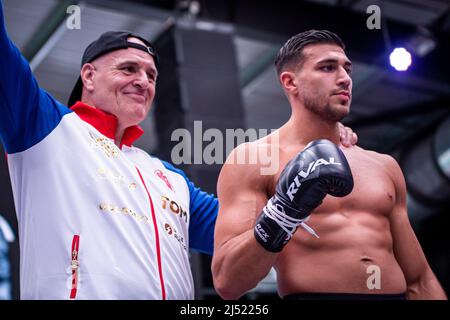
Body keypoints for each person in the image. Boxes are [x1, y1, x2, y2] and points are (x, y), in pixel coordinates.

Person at [0, 1, 357, 299]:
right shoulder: (46, 127)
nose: (143, 81)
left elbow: (251, 229)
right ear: (89, 76)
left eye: (152, 75)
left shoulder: (168, 178)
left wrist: (318, 138)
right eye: (128, 69)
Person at [211, 30, 447, 300]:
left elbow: (419, 278)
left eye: (347, 68)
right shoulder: (254, 160)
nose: (345, 78)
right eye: (327, 67)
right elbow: (228, 282)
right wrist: (283, 212)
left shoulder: (383, 165)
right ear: (290, 82)